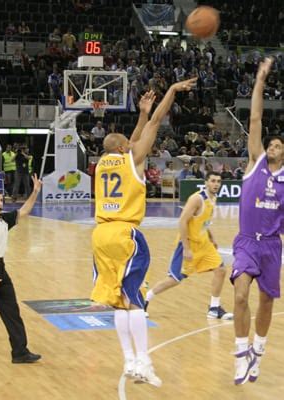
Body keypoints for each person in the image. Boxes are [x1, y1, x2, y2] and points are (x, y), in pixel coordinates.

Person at [91, 78, 197, 387]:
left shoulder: (102, 164)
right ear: (126, 147)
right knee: (134, 298)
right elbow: (154, 123)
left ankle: (130, 360)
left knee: (119, 300)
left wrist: (139, 116)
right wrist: (172, 92)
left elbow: (135, 137)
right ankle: (145, 361)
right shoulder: (132, 159)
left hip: (100, 237)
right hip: (126, 235)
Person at [231, 58, 284, 385]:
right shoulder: (255, 161)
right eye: (272, 143)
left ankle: (258, 352)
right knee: (239, 295)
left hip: (272, 246)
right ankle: (240, 353)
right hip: (247, 241)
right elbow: (255, 117)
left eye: (279, 145)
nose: (274, 145)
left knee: (266, 301)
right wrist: (260, 79)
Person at [0, 175, 42, 363]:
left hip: (1, 270)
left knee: (12, 312)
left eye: (1, 200)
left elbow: (24, 211)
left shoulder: (4, 219)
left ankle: (20, 352)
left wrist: (35, 191)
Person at [145, 172, 233, 320]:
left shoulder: (213, 198)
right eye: (213, 181)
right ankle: (145, 299)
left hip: (204, 243)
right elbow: (182, 221)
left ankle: (214, 307)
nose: (216, 184)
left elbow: (204, 221)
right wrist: (186, 247)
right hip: (189, 244)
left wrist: (212, 238)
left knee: (221, 270)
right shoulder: (197, 199)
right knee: (174, 279)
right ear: (206, 182)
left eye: (218, 181)